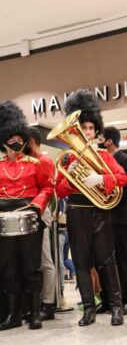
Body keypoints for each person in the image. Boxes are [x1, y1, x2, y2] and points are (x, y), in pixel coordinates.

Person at [56, 89, 127, 327]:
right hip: (76, 211)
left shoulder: (105, 156)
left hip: (100, 211)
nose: (86, 132)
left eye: (90, 128)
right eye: (83, 127)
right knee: (81, 261)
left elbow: (122, 178)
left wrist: (101, 180)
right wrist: (72, 177)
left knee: (107, 260)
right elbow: (60, 190)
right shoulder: (67, 158)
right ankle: (88, 309)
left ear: (96, 130)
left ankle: (116, 307)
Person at [0, 101, 54, 330]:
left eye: (18, 137)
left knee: (31, 265)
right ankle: (13, 315)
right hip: (4, 218)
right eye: (10, 137)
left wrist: (37, 206)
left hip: (29, 216)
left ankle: (34, 314)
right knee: (8, 267)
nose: (16, 141)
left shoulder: (36, 164)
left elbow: (47, 188)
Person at [97, 126, 127, 315]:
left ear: (109, 141)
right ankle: (108, 299)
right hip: (102, 216)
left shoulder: (126, 160)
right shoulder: (98, 160)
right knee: (104, 260)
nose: (98, 140)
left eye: (100, 137)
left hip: (120, 216)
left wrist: (104, 182)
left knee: (123, 259)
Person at [25, 127, 57, 321]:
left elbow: (48, 190)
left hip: (39, 213)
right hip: (32, 213)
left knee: (45, 260)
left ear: (30, 141)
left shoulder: (43, 161)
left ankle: (47, 303)